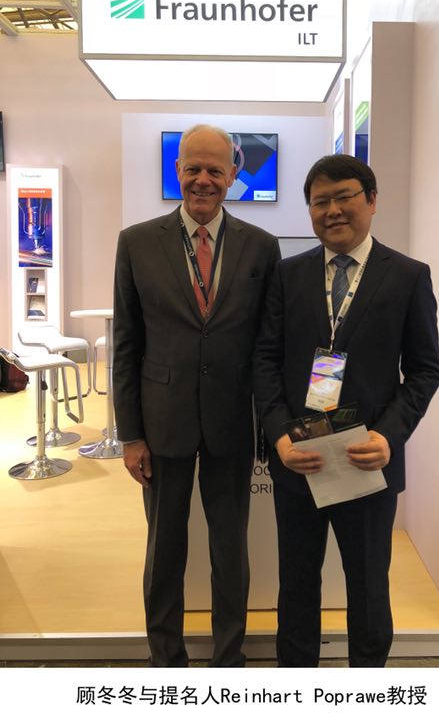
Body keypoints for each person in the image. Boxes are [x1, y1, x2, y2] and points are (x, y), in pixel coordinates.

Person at [253, 154, 439, 668]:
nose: (332, 210)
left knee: (368, 586)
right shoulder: (287, 275)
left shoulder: (407, 276)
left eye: (344, 197)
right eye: (320, 202)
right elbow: (265, 361)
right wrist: (279, 436)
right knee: (296, 584)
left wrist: (388, 436)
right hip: (300, 460)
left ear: (372, 201)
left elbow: (425, 370)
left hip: (367, 462)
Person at [113, 124, 281, 667]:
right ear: (177, 171)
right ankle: (167, 661)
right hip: (162, 425)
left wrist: (271, 425)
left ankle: (229, 659)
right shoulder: (136, 242)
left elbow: (269, 345)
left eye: (214, 169)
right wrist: (130, 435)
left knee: (230, 550)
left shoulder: (262, 246)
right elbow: (126, 346)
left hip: (232, 422)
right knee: (164, 550)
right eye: (193, 169)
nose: (203, 180)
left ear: (233, 173)